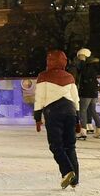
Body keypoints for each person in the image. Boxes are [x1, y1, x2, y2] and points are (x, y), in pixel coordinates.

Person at [33, 50, 80, 188]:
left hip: (53, 112)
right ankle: (74, 180)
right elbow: (76, 99)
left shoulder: (43, 76)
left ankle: (67, 171)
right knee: (70, 146)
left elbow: (39, 98)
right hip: (70, 111)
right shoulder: (70, 77)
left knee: (56, 145)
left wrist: (37, 117)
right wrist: (77, 119)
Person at [74, 48, 100, 138]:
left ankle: (83, 131)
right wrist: (99, 88)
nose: (79, 58)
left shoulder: (87, 66)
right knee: (92, 111)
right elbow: (94, 79)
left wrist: (82, 62)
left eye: (80, 56)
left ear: (84, 56)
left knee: (82, 111)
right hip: (93, 92)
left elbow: (85, 74)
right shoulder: (93, 66)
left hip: (86, 91)